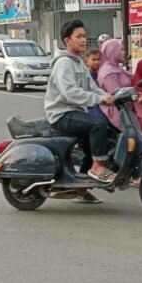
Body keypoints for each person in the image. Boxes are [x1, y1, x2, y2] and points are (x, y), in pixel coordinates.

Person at [45, 19, 116, 183]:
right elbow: (70, 93)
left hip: (76, 112)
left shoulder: (79, 63)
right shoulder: (63, 63)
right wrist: (99, 99)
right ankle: (98, 166)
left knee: (98, 140)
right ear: (67, 40)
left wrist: (108, 96)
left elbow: (92, 87)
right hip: (61, 114)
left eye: (85, 36)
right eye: (79, 36)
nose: (83, 40)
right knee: (98, 124)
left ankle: (81, 186)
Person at [97, 39, 132, 131]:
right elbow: (117, 94)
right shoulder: (108, 72)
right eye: (121, 49)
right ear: (112, 51)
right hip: (118, 111)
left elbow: (132, 78)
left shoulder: (117, 68)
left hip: (126, 108)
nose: (124, 52)